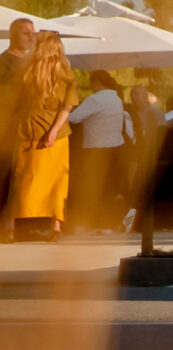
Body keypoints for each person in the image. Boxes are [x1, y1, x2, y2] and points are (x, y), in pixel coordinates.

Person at [6, 32, 79, 241]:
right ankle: (56, 227)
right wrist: (53, 131)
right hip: (56, 134)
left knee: (21, 178)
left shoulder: (25, 72)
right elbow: (67, 107)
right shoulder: (66, 74)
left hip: (27, 130)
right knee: (57, 181)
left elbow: (13, 102)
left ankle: (10, 226)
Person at [65, 69, 132, 233]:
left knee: (92, 188)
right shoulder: (116, 99)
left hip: (96, 148)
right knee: (109, 189)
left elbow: (73, 118)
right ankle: (107, 223)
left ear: (96, 82)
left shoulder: (95, 99)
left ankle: (91, 223)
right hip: (115, 147)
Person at [0, 16, 33, 212]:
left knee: (24, 173)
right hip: (8, 127)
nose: (31, 38)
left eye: (33, 34)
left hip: (30, 126)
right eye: (26, 33)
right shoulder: (3, 63)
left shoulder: (33, 63)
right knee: (5, 171)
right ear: (13, 35)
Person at [123, 81, 165, 233]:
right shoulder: (128, 112)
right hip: (134, 152)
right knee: (133, 186)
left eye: (137, 93)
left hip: (150, 152)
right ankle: (132, 221)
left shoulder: (155, 112)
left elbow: (161, 131)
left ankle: (148, 220)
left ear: (145, 96)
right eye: (132, 94)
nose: (134, 97)